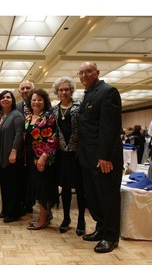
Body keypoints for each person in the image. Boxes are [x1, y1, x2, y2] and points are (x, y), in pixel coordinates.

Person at [77, 61, 123, 253]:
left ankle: (111, 237)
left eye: (88, 71)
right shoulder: (89, 94)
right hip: (87, 157)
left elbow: (109, 127)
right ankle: (100, 228)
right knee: (93, 197)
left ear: (97, 72)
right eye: (81, 73)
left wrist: (104, 156)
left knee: (108, 198)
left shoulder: (108, 92)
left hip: (103, 159)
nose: (84, 75)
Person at [51, 77, 86, 236]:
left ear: (71, 90)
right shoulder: (54, 109)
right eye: (60, 90)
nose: (63, 92)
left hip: (78, 153)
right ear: (57, 92)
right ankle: (66, 219)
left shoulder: (80, 106)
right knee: (64, 187)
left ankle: (81, 220)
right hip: (62, 154)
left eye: (66, 89)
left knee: (80, 188)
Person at [25, 88, 58, 230]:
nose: (36, 102)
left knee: (43, 188)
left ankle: (42, 220)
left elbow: (53, 138)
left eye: (39, 99)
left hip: (43, 159)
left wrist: (44, 157)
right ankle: (45, 216)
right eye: (34, 100)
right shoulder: (28, 117)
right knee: (38, 188)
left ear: (44, 101)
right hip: (31, 158)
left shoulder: (48, 116)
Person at [0, 90, 24, 223]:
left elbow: (19, 134)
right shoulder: (1, 116)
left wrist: (14, 151)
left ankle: (13, 213)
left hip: (11, 155)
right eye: (3, 97)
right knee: (4, 184)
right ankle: (6, 209)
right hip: (0, 156)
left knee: (13, 185)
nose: (5, 99)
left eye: (8, 97)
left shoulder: (16, 115)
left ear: (12, 100)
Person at [16, 80, 36, 215]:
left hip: (36, 148)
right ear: (19, 91)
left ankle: (32, 202)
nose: (25, 90)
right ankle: (23, 203)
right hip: (19, 148)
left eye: (28, 88)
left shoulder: (40, 104)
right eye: (22, 88)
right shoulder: (16, 106)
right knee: (21, 177)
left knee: (33, 177)